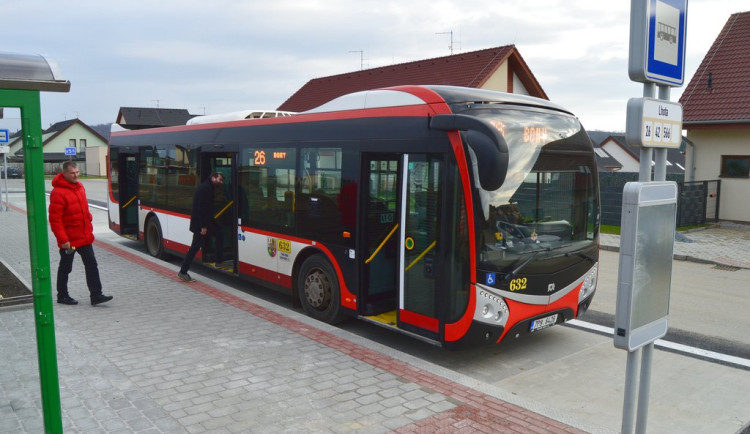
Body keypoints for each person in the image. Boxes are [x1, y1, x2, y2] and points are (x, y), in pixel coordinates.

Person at [48, 161, 113, 305]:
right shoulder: (58, 193)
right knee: (66, 268)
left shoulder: (79, 187)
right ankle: (62, 295)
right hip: (69, 241)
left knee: (91, 264)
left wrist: (89, 218)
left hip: (83, 237)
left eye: (77, 172)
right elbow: (55, 220)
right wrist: (63, 239)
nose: (76, 175)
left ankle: (96, 295)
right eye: (72, 173)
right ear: (64, 173)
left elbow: (84, 208)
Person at [178, 172, 224, 282]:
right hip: (201, 224)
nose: (221, 182)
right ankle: (183, 271)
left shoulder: (208, 187)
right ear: (213, 177)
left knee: (219, 233)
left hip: (206, 222)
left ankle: (218, 260)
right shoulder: (206, 189)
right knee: (195, 247)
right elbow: (201, 209)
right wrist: (203, 227)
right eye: (220, 179)